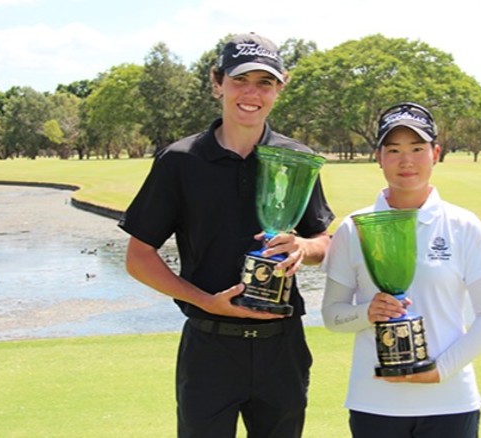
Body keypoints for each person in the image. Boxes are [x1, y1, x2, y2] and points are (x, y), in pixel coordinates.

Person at [119, 32, 334, 438]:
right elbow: (138, 257)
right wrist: (206, 302)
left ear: (279, 87)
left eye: (265, 82)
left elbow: (325, 242)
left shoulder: (298, 160)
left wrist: (305, 247)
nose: (251, 93)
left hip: (281, 347)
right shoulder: (180, 161)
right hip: (209, 348)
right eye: (240, 80)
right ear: (217, 82)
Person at [321, 102, 481, 437]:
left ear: (436, 153)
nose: (406, 161)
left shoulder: (464, 225)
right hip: (374, 402)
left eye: (417, 148)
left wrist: (440, 370)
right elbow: (332, 315)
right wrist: (367, 313)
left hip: (450, 402)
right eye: (394, 150)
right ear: (379, 157)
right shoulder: (353, 228)